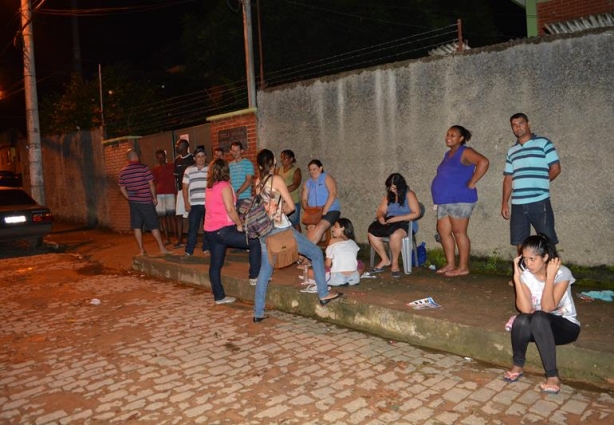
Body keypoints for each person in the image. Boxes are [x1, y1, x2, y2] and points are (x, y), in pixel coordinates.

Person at [253, 149, 343, 322]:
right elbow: (291, 206)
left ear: (258, 164)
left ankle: (258, 312)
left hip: (265, 232)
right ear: (273, 161)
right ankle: (323, 294)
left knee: (265, 271)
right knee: (316, 254)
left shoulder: (258, 182)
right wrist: (282, 211)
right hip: (282, 230)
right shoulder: (277, 179)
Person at [504, 234, 580, 395]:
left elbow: (547, 307)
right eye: (525, 259)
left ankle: (552, 376)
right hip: (538, 328)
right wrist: (517, 278)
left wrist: (550, 277)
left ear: (545, 257)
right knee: (522, 319)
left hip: (564, 327)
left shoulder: (562, 273)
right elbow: (524, 309)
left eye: (532, 259)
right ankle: (517, 365)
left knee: (539, 316)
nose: (528, 264)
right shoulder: (526, 275)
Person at [431, 125, 489, 277]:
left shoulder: (465, 151)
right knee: (444, 232)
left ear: (461, 138)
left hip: (460, 199)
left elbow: (483, 162)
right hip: (444, 201)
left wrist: (472, 181)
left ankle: (463, 267)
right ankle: (451, 264)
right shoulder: (448, 154)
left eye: (453, 135)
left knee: (459, 232)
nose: (448, 137)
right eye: (447, 134)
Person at [204, 158, 261, 304]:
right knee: (255, 240)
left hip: (211, 230)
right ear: (225, 170)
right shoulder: (224, 185)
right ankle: (254, 275)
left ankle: (219, 296)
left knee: (215, 265)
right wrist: (239, 224)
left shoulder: (210, 186)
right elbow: (230, 208)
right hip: (223, 229)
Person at [502, 113, 561, 254]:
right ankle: (524, 274)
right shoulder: (512, 151)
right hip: (517, 203)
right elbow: (508, 178)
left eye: (521, 123)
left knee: (547, 240)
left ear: (528, 123)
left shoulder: (543, 143)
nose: (517, 127)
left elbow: (556, 169)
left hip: (539, 200)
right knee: (520, 241)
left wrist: (541, 184)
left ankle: (552, 274)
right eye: (514, 125)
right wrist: (504, 202)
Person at [118, 149, 171, 256]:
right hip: (146, 201)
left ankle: (142, 250)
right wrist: (154, 197)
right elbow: (151, 184)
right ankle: (162, 248)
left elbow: (122, 188)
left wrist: (129, 198)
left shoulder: (123, 171)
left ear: (127, 158)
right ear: (137, 156)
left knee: (137, 226)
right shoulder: (143, 168)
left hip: (134, 203)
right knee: (153, 225)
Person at [367, 173, 420, 278]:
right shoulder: (389, 196)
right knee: (372, 232)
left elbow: (416, 213)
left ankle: (395, 264)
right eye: (390, 188)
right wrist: (381, 217)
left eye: (395, 188)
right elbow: (381, 210)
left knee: (395, 235)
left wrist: (398, 218)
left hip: (406, 223)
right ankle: (385, 260)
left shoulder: (409, 194)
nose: (392, 190)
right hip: (391, 222)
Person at [301, 159, 340, 245]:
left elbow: (333, 193)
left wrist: (324, 211)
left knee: (320, 227)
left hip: (330, 210)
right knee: (311, 229)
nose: (312, 172)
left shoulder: (326, 177)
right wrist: (308, 210)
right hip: (314, 212)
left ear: (320, 168)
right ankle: (307, 256)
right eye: (310, 170)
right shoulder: (308, 183)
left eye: (314, 169)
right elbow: (304, 199)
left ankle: (304, 255)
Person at [182, 147, 210, 258]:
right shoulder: (189, 170)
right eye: (198, 156)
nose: (201, 158)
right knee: (192, 228)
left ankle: (206, 248)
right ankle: (189, 251)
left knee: (207, 228)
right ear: (194, 158)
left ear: (206, 157)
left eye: (203, 156)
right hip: (194, 204)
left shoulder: (210, 169)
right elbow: (184, 187)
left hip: (208, 204)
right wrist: (186, 203)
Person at [151, 149, 177, 245]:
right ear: (157, 158)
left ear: (165, 156)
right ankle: (166, 238)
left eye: (162, 157)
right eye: (159, 158)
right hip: (159, 194)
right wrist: (153, 195)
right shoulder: (155, 169)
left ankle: (175, 236)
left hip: (170, 193)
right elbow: (153, 182)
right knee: (163, 217)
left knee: (172, 216)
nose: (161, 159)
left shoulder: (172, 166)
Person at [325, 218, 360, 287]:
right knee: (361, 265)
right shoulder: (353, 243)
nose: (333, 229)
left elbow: (328, 264)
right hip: (354, 278)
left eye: (336, 226)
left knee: (311, 272)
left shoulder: (333, 241)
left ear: (343, 228)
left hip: (338, 278)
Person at [173, 139, 195, 248]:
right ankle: (180, 239)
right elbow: (176, 177)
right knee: (179, 215)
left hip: (191, 190)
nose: (176, 147)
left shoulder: (192, 159)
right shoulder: (177, 160)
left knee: (192, 215)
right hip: (181, 190)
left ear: (184, 146)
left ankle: (192, 239)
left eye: (178, 145)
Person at [275, 149, 302, 231]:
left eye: (285, 158)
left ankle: (299, 242)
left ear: (291, 159)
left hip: (293, 200)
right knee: (284, 223)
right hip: (281, 201)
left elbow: (295, 184)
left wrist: (283, 191)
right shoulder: (279, 170)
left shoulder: (296, 170)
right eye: (281, 158)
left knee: (295, 222)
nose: (282, 160)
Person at [229, 141, 254, 208]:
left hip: (245, 198)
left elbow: (248, 181)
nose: (235, 153)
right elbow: (229, 182)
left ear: (242, 151)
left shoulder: (248, 164)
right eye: (233, 151)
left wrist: (238, 193)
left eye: (237, 150)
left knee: (244, 218)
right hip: (233, 198)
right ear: (231, 152)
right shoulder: (229, 165)